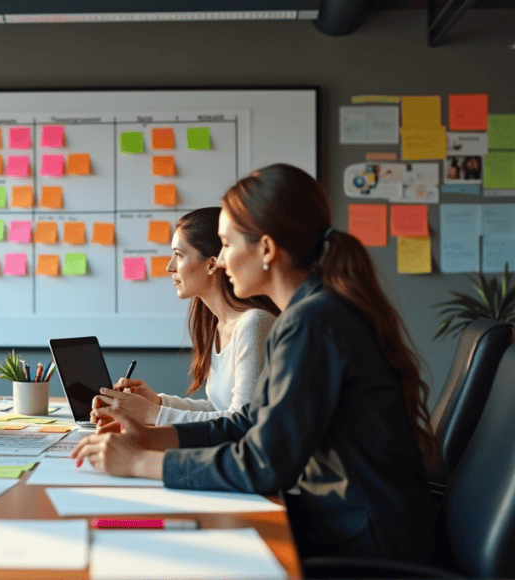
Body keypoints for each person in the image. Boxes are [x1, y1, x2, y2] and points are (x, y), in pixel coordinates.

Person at [73, 164, 435, 561]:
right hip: (348, 519)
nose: (222, 261)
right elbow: (248, 423)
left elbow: (264, 464)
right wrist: (149, 437)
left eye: (226, 245)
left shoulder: (314, 323)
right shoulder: (308, 314)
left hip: (366, 539)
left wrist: (142, 462)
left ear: (265, 249)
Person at [90, 207, 278, 426]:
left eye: (178, 255)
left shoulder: (253, 324)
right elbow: (218, 409)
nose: (170, 267)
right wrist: (157, 402)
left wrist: (152, 413)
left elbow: (243, 422)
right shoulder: (218, 325)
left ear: (211, 264)